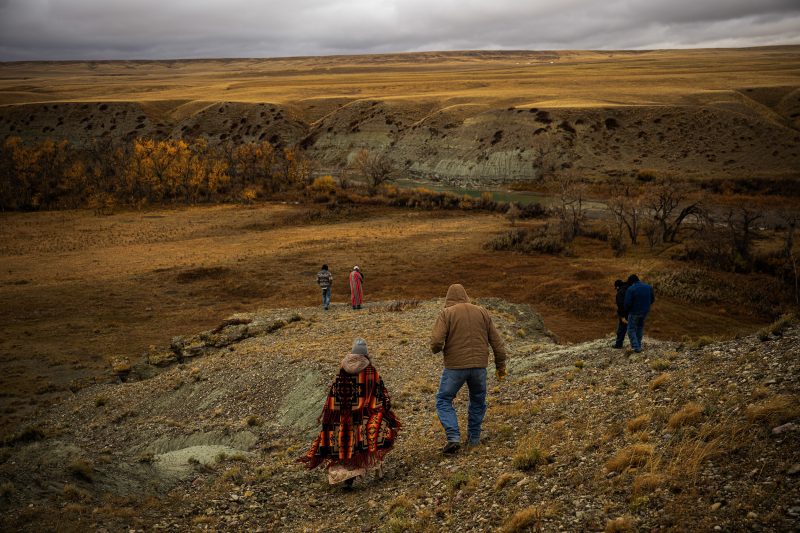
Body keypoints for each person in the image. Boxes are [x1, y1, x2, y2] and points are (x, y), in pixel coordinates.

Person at [298, 338, 400, 487]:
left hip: (342, 417)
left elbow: (333, 396)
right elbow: (381, 396)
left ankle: (348, 477)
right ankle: (372, 464)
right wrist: (386, 411)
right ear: (365, 354)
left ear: (352, 353)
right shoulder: (370, 371)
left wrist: (330, 417)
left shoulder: (343, 370)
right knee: (380, 427)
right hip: (364, 417)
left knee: (343, 441)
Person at [430, 284, 507, 454]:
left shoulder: (446, 313)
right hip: (480, 366)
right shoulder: (482, 312)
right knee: (478, 400)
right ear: (465, 295)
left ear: (448, 298)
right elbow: (497, 342)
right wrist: (500, 366)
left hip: (455, 367)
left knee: (443, 399)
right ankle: (474, 439)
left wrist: (436, 350)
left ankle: (453, 437)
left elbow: (436, 342)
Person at [624, 274, 655, 353]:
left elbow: (627, 303)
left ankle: (636, 347)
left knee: (631, 329)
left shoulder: (631, 289)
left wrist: (627, 311)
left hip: (634, 311)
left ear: (631, 282)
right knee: (640, 327)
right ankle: (638, 345)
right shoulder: (648, 287)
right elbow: (652, 299)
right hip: (645, 311)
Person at [612, 279, 629, 348]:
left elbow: (620, 305)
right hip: (634, 311)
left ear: (618, 286)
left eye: (616, 288)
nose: (616, 289)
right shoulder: (630, 288)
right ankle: (636, 345)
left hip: (625, 313)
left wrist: (622, 316)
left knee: (621, 329)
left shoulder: (620, 292)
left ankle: (618, 344)